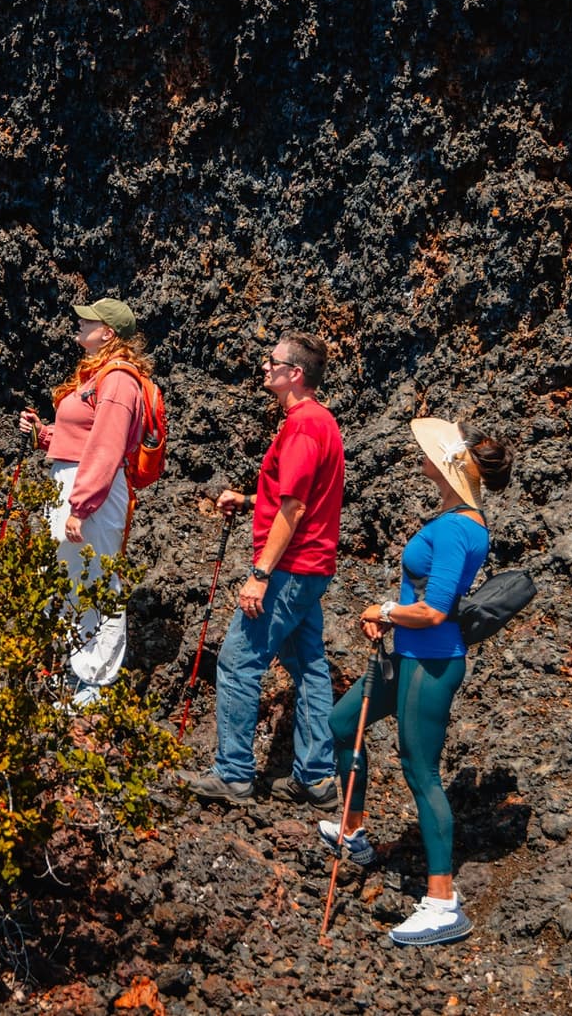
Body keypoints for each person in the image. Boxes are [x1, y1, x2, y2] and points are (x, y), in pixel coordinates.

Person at [318, 417, 513, 947]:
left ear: (450, 466)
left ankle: (443, 902)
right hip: (405, 655)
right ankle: (354, 832)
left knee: (420, 771)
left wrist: (385, 608)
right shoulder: (455, 519)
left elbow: (432, 611)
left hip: (430, 662)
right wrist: (390, 618)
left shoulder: (457, 530)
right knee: (341, 724)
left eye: (427, 452)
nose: (418, 456)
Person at [183, 333, 345, 810]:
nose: (264, 367)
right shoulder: (322, 423)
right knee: (310, 667)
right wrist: (251, 500)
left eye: (272, 361)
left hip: (288, 569)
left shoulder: (301, 426)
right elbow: (295, 498)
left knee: (237, 663)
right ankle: (316, 778)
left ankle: (233, 774)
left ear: (295, 373)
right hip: (313, 567)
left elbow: (293, 509)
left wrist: (260, 573)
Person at [18, 298, 152, 706]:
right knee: (68, 577)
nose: (79, 322)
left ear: (108, 332)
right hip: (77, 485)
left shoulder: (119, 380)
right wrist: (45, 434)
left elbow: (107, 447)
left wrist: (81, 505)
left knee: (97, 580)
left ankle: (94, 685)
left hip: (92, 491)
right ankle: (72, 675)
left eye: (87, 320)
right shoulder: (98, 376)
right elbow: (83, 438)